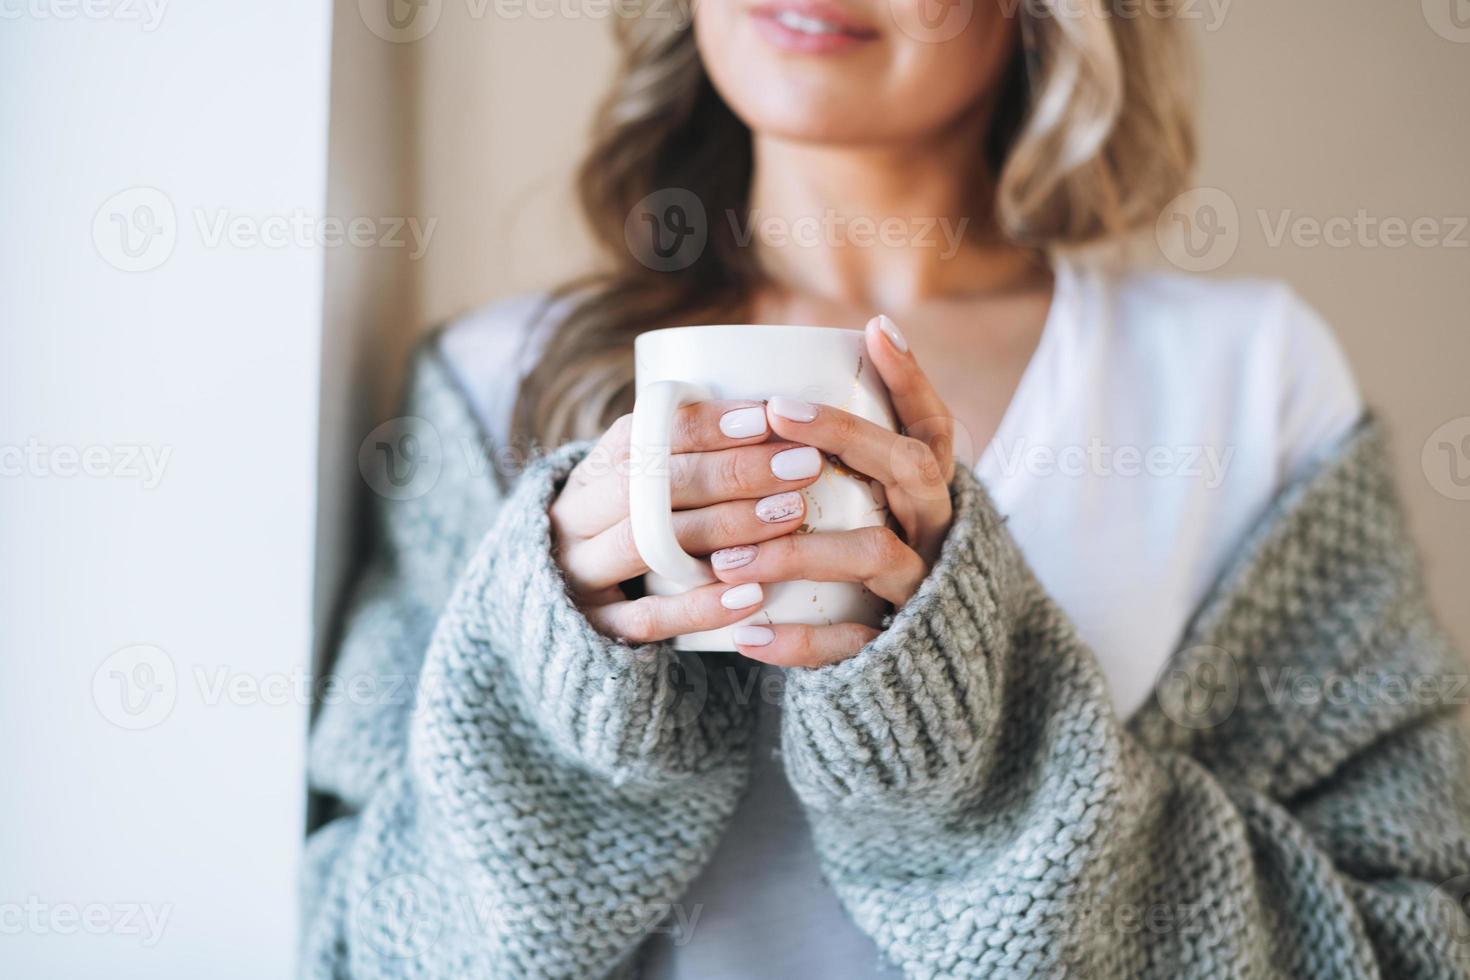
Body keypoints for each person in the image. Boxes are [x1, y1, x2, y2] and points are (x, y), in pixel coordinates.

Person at [300, 0, 1470, 976]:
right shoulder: (488, 390)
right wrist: (558, 709)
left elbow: (1406, 941)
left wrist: (975, 743)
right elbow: (350, 944)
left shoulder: (1239, 380)